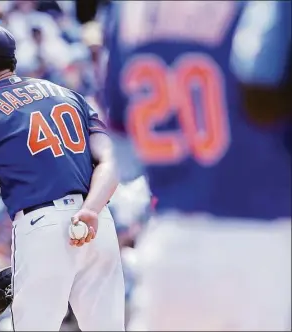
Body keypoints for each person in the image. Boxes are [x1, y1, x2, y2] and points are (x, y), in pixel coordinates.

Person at [104, 1, 291, 331]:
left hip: (170, 244)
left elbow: (125, 153)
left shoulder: (129, 10)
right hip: (264, 238)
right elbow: (264, 80)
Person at [0, 21, 125, 331]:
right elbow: (112, 158)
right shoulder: (67, 94)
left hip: (42, 228)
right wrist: (90, 210)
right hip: (97, 223)